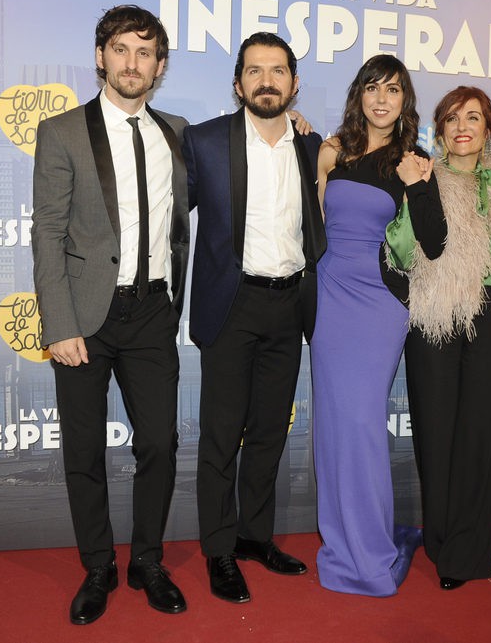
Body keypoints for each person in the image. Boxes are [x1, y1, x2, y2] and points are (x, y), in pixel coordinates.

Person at [31, 5, 189, 624]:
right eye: (121, 49)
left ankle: (148, 561)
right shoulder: (62, 131)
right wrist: (59, 324)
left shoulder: (177, 132)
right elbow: (47, 234)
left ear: (160, 66)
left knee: (159, 443)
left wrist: (304, 128)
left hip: (153, 313)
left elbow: (247, 147)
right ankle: (97, 566)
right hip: (85, 315)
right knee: (84, 451)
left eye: (145, 53)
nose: (132, 63)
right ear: (101, 57)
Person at [182, 32, 325, 604]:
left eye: (278, 71)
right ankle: (219, 552)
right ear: (238, 83)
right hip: (230, 305)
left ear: (293, 83)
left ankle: (254, 537)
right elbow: (166, 218)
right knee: (221, 437)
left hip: (289, 305)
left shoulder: (316, 148)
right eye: (255, 70)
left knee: (269, 431)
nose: (267, 80)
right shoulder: (205, 141)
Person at [311, 54, 446, 597]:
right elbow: (313, 219)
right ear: (359, 95)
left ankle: (369, 553)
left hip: (379, 302)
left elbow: (433, 242)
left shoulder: (411, 160)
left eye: (393, 89)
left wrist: (418, 185)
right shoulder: (332, 150)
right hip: (327, 296)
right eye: (373, 87)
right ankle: (341, 540)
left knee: (363, 425)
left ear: (404, 101)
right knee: (332, 426)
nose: (382, 98)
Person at [387, 86, 491, 590]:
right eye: (452, 119)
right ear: (440, 130)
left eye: (474, 117)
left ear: (490, 128)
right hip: (437, 315)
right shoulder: (423, 176)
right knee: (438, 432)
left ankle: (470, 549)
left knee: (479, 434)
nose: (463, 126)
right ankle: (443, 540)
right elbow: (403, 249)